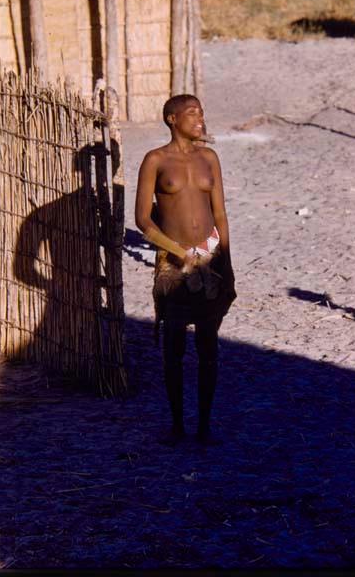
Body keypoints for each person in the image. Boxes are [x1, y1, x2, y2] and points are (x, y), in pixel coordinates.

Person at [135, 94, 236, 446]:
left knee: (209, 348)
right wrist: (176, 252)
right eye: (192, 113)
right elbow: (142, 220)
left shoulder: (210, 158)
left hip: (211, 260)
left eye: (202, 113)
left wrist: (227, 261)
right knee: (174, 350)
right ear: (171, 119)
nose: (200, 119)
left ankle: (205, 427)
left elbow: (220, 214)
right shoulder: (155, 160)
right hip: (173, 265)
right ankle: (177, 426)